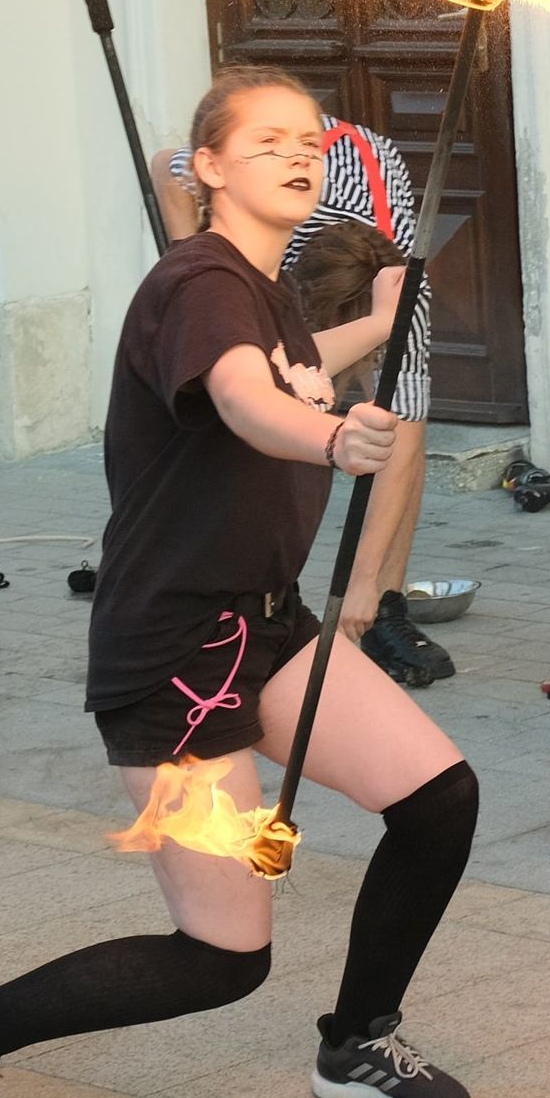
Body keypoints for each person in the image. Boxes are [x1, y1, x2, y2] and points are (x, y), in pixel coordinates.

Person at [0, 67, 478, 1098]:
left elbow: (286, 363)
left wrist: (370, 329)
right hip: (177, 653)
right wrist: (334, 438)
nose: (301, 153)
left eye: (311, 138)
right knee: (222, 954)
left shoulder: (265, 285)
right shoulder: (201, 280)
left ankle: (355, 1043)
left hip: (267, 624)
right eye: (269, 140)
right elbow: (247, 397)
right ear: (206, 167)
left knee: (438, 798)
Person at [153, 107, 456, 687]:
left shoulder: (403, 295)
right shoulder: (256, 245)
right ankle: (240, 592)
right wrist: (188, 259)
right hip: (256, 193)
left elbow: (401, 443)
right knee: (254, 416)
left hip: (367, 215)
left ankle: (384, 613)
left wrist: (363, 584)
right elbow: (167, 168)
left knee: (391, 429)